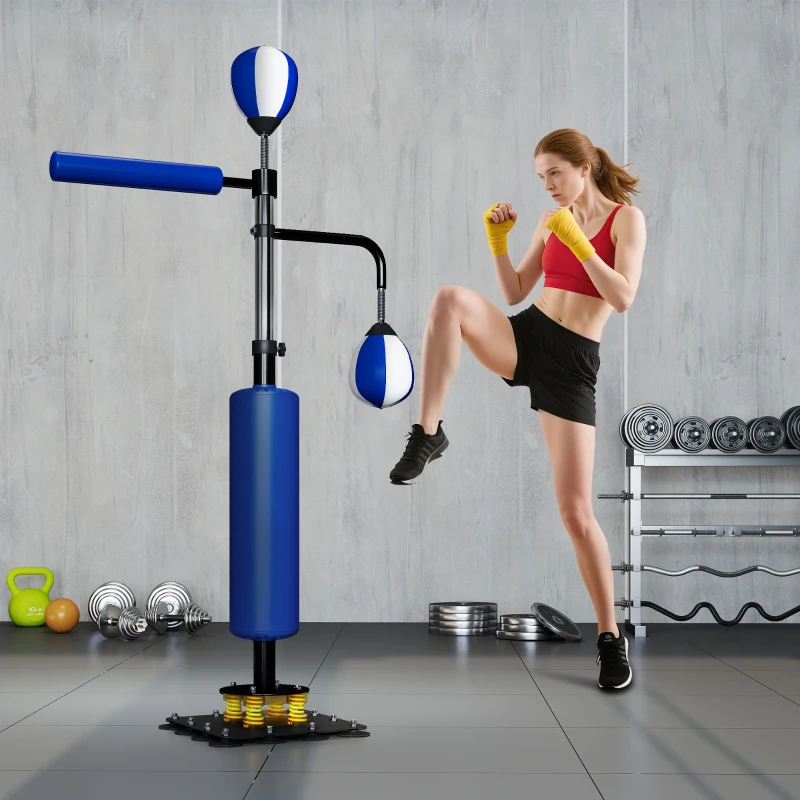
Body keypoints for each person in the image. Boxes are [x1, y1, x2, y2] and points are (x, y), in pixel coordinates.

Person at [389, 128, 647, 691]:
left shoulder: (625, 219)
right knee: (450, 300)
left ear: (584, 167)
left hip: (573, 362)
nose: (548, 186)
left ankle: (610, 638)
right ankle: (427, 432)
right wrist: (498, 240)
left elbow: (623, 297)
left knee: (576, 513)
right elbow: (513, 291)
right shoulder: (549, 220)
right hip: (528, 334)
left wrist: (580, 242)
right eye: (540, 177)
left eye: (555, 172)